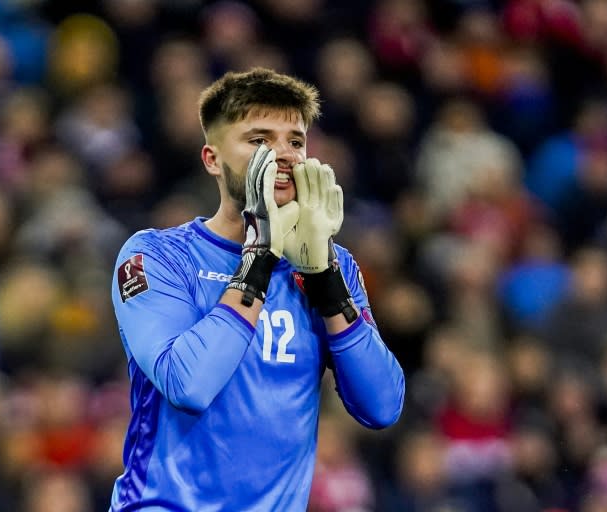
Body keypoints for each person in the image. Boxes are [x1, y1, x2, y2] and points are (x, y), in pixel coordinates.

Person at [108, 67, 405, 511]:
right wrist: (261, 252)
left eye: (296, 141)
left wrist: (324, 280)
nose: (283, 155)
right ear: (212, 159)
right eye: (259, 140)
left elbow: (381, 405)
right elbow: (188, 385)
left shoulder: (331, 264)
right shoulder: (157, 256)